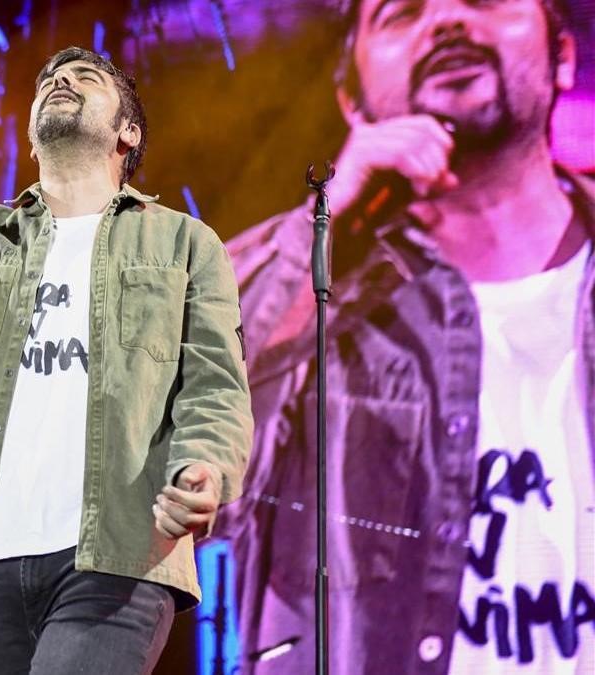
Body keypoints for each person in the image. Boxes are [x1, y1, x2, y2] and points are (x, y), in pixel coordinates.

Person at [0, 46, 253, 674]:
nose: (60, 81)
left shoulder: (183, 242)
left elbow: (215, 385)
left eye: (84, 78)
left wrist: (204, 466)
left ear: (128, 131)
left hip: (118, 553)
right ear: (30, 141)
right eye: (48, 82)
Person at [220, 0, 593, 672]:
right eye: (401, 12)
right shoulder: (300, 292)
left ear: (564, 57)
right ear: (353, 103)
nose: (447, 20)